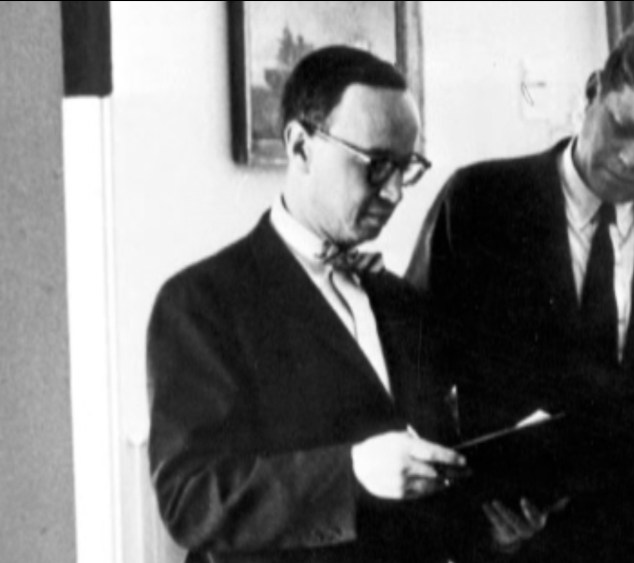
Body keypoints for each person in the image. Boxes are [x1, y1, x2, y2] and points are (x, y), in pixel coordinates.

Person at [419, 16, 634, 563]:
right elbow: (417, 379)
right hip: (518, 549)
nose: (632, 158)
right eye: (623, 126)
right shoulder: (478, 203)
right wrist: (466, 523)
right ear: (591, 92)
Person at [147, 46, 494, 563]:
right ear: (301, 147)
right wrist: (350, 472)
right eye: (377, 165)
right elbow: (190, 500)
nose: (396, 193)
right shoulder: (201, 301)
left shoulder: (400, 301)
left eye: (406, 168)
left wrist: (491, 525)